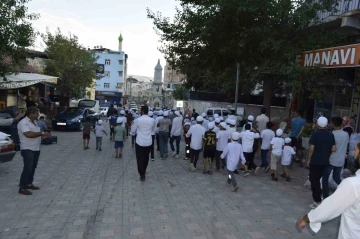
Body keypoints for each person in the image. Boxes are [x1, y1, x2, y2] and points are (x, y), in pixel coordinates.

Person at [296, 141, 360, 238]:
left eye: (355, 150)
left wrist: (307, 218)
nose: (353, 153)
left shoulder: (353, 184)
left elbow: (331, 207)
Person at [17, 106, 50, 195]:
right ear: (30, 114)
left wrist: (42, 135)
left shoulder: (34, 122)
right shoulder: (23, 123)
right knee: (28, 167)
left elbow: (35, 134)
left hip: (36, 148)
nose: (38, 115)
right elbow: (28, 134)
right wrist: (42, 133)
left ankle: (29, 183)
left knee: (33, 167)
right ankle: (22, 187)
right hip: (27, 148)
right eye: (36, 113)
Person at [307, 116, 336, 209]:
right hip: (326, 161)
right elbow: (334, 148)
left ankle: (317, 200)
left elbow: (311, 148)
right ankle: (321, 196)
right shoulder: (331, 135)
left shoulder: (315, 134)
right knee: (322, 179)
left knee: (314, 180)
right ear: (327, 124)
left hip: (315, 161)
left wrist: (309, 159)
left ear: (317, 124)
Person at [322, 116, 349, 199]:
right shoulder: (346, 134)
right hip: (341, 160)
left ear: (333, 124)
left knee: (325, 178)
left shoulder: (332, 134)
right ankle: (347, 190)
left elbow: (329, 148)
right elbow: (346, 146)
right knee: (336, 177)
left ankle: (326, 196)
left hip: (331, 160)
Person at [131, 105, 155, 182]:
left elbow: (133, 130)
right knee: (146, 158)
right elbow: (153, 130)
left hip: (139, 142)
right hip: (148, 142)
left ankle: (142, 173)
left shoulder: (138, 120)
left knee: (139, 158)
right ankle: (144, 170)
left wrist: (132, 133)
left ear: (142, 111)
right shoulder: (152, 120)